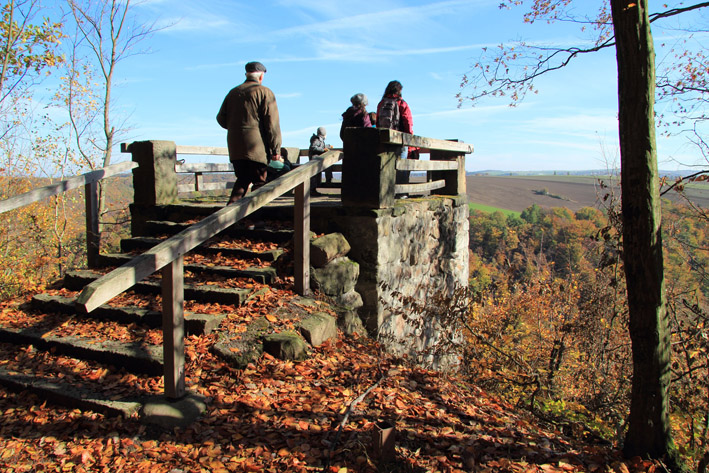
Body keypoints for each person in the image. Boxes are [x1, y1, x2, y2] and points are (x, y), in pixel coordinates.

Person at [216, 61, 281, 205]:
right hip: (256, 147)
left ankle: (229, 217)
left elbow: (220, 118)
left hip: (235, 146)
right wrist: (276, 149)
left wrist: (236, 129)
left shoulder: (233, 92)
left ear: (247, 74)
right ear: (261, 76)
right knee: (259, 183)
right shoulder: (264, 92)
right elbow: (272, 124)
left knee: (243, 180)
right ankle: (255, 220)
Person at [377, 80, 414, 189]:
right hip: (400, 140)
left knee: (386, 166)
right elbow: (408, 122)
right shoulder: (401, 103)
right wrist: (410, 138)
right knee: (401, 166)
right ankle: (400, 192)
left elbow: (378, 122)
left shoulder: (382, 103)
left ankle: (385, 190)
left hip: (384, 141)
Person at [308, 127, 332, 196]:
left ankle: (313, 190)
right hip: (315, 160)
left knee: (315, 175)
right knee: (314, 175)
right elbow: (314, 147)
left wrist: (328, 146)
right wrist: (323, 150)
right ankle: (312, 190)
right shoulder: (316, 139)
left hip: (316, 160)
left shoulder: (319, 139)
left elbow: (321, 146)